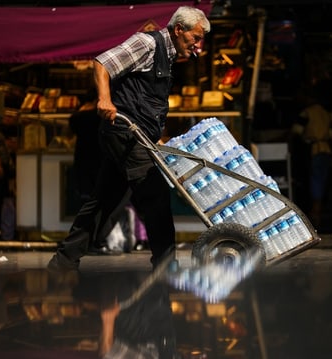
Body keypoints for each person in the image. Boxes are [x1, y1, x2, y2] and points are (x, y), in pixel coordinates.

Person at [48, 6, 211, 270]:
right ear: (178, 29)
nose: (197, 46)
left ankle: (63, 262)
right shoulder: (147, 43)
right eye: (195, 37)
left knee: (103, 201)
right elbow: (103, 63)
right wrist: (104, 99)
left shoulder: (168, 56)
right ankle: (165, 265)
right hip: (124, 133)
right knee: (155, 196)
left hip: (137, 135)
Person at [291, 81, 332, 228]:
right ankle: (318, 211)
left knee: (314, 181)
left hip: (313, 149)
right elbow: (330, 133)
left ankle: (315, 214)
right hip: (326, 149)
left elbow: (296, 132)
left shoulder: (307, 113)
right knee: (322, 180)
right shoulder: (325, 113)